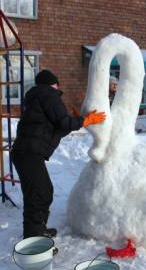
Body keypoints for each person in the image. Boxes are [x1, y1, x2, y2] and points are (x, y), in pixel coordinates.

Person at [11, 69, 106, 239]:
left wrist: (79, 122)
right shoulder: (49, 95)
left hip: (24, 153)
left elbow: (55, 128)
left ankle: (37, 230)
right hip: (29, 154)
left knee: (40, 192)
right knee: (39, 194)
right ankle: (34, 239)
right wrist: (86, 120)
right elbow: (63, 121)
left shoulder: (36, 98)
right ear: (54, 84)